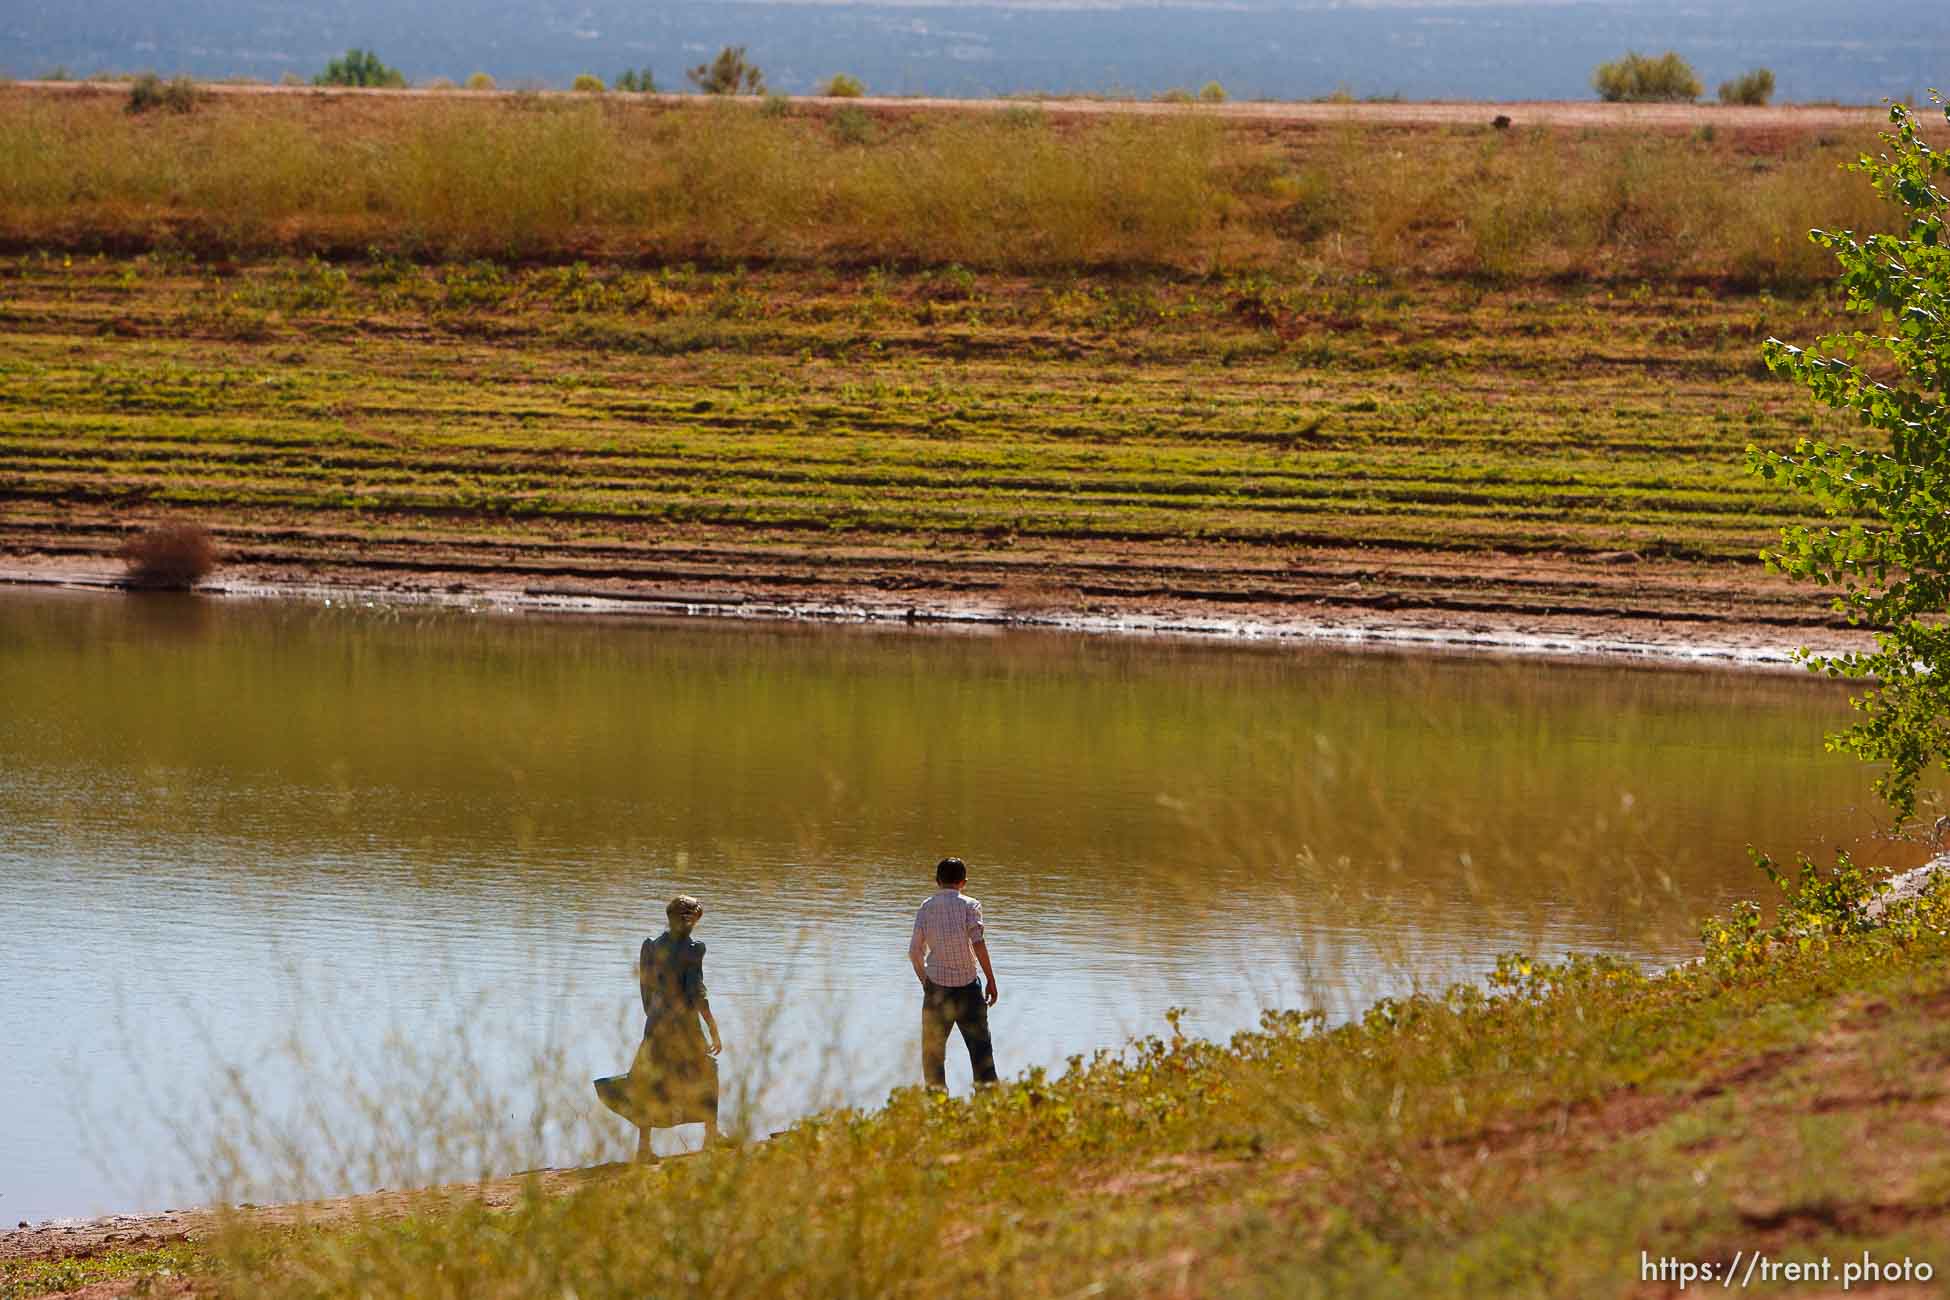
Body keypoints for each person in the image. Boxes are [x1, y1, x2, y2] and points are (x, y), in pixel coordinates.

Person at [594, 893, 724, 1162]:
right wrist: (712, 1027)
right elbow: (697, 992)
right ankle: (711, 1136)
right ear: (690, 920)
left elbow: (646, 989)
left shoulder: (651, 946)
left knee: (648, 1080)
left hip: (655, 1023)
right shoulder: (693, 949)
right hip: (685, 1026)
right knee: (706, 1072)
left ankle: (643, 1148)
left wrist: (653, 1017)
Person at [908, 856, 999, 1091]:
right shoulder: (971, 905)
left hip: (936, 989)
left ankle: (938, 1109)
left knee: (933, 1056)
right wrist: (990, 978)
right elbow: (978, 943)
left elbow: (914, 951)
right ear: (964, 882)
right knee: (981, 1055)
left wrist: (925, 982)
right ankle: (988, 1107)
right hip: (968, 988)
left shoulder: (926, 907)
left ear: (937, 881)